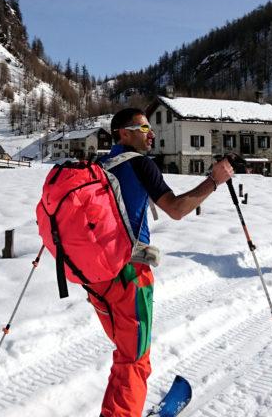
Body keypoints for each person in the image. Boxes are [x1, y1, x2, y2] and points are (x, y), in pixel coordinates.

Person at [90, 107, 234, 417]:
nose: (151, 134)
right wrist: (214, 180)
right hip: (128, 275)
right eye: (143, 129)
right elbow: (177, 209)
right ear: (123, 133)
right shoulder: (140, 164)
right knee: (135, 359)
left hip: (94, 277)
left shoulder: (97, 165)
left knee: (126, 352)